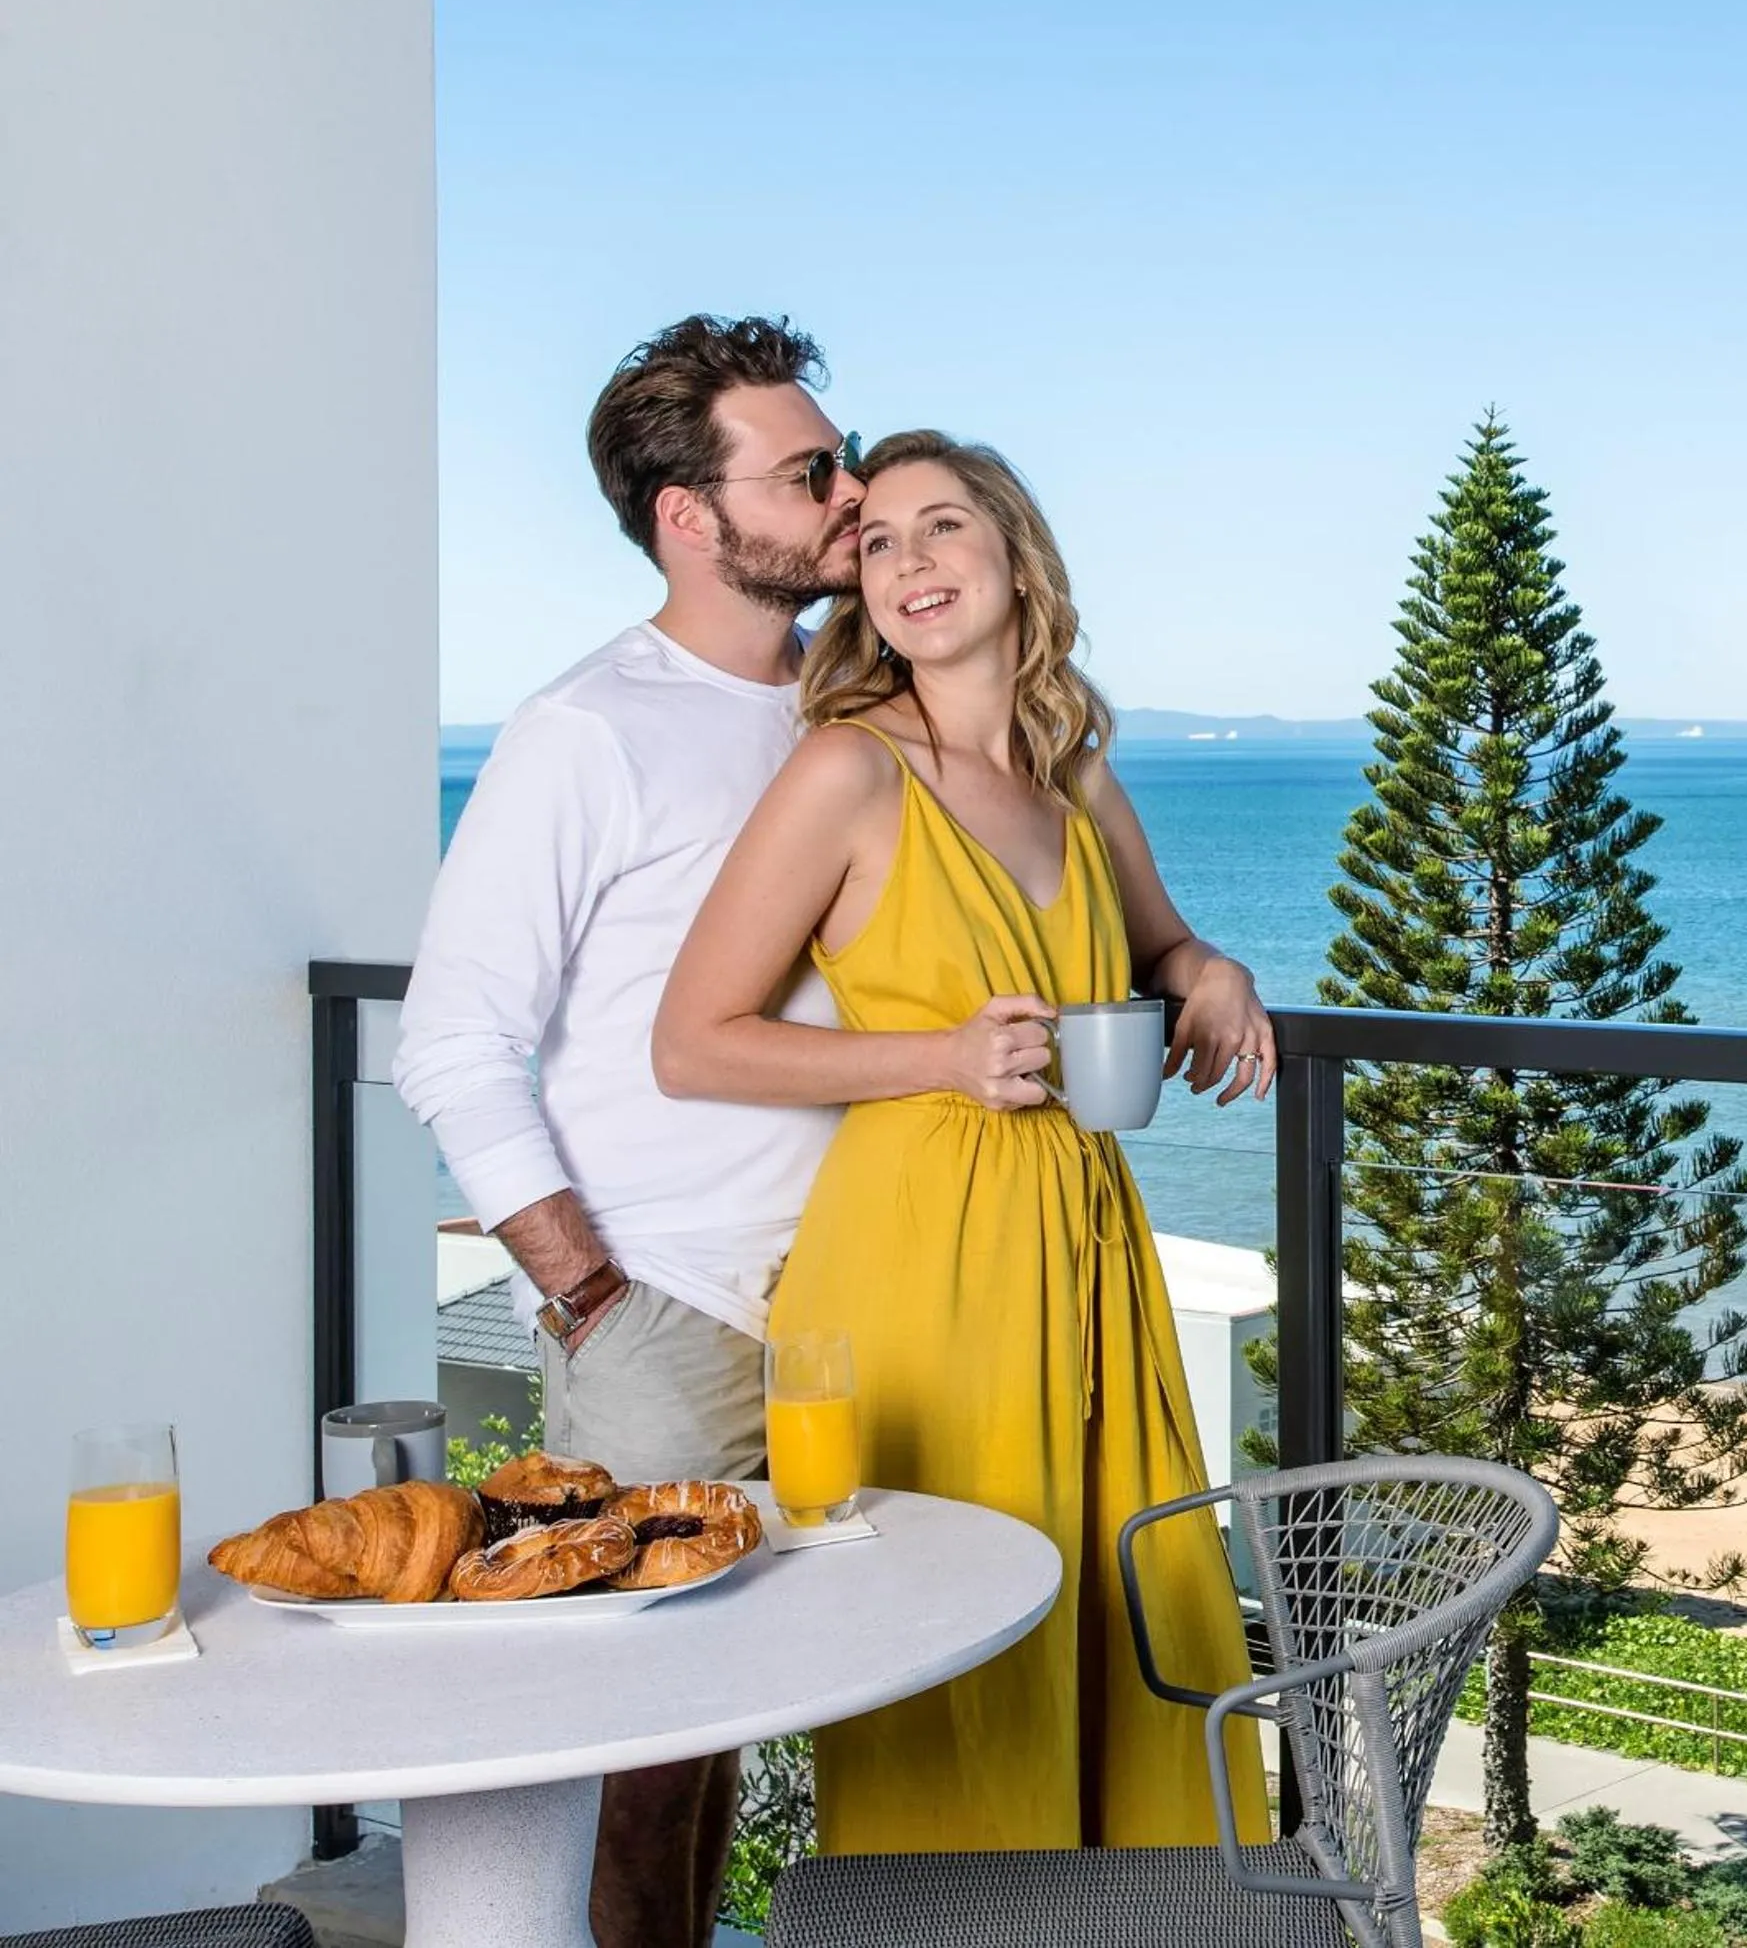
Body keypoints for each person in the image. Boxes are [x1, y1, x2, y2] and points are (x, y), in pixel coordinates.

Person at [653, 429, 1276, 1854]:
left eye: (942, 528)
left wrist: (1209, 969)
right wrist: (939, 1054)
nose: (908, 563)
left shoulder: (1076, 775)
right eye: (876, 542)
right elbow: (692, 1039)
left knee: (1128, 1606)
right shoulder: (847, 772)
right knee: (955, 1664)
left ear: (1015, 554)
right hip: (919, 1259)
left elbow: (1158, 940)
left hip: (1084, 1246)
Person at [392, 314, 865, 1948]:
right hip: (669, 1301)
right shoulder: (584, 728)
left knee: (783, 1716)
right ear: (690, 514)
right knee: (647, 1759)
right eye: (807, 471)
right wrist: (591, 1294)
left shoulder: (849, 706)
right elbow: (453, 1040)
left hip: (853, 1306)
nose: (849, 492)